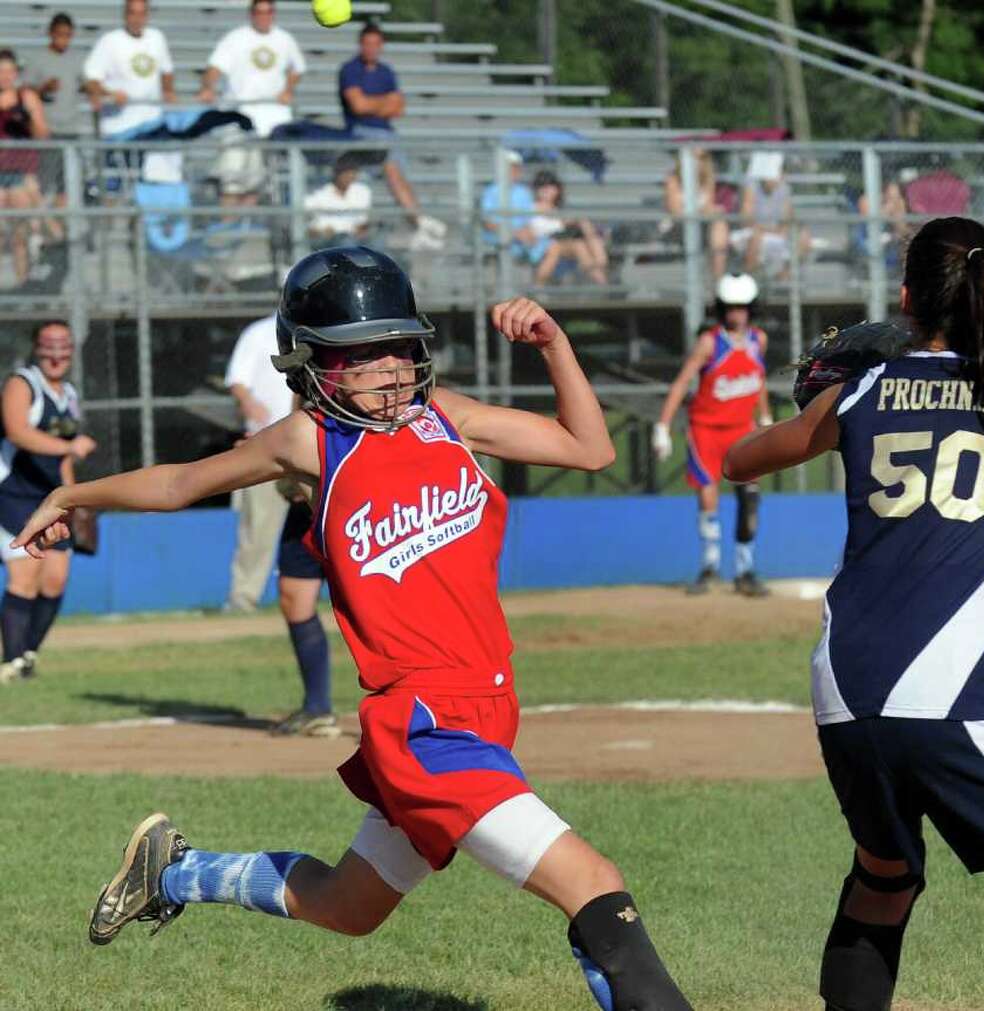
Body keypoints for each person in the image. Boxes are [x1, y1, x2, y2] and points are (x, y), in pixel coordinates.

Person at [16, 246, 693, 1011]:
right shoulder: (310, 440)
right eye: (362, 355)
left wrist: (554, 344)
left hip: (487, 709)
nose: (391, 369)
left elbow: (590, 447)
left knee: (347, 905)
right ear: (310, 365)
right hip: (426, 726)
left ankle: (173, 872)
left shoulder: (446, 417)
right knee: (595, 884)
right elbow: (179, 483)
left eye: (400, 347)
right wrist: (71, 498)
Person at [725, 216, 984, 1011]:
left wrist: (840, 392)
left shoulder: (859, 392)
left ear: (907, 298)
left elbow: (737, 461)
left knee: (884, 877)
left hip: (846, 689)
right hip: (953, 690)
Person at [653, 273, 771, 597]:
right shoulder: (710, 342)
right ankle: (710, 565)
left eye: (742, 307)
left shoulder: (758, 340)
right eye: (731, 307)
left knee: (750, 497)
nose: (737, 314)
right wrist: (663, 426)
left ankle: (745, 570)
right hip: (706, 430)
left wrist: (764, 416)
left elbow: (757, 379)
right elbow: (682, 382)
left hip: (742, 430)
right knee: (708, 497)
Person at [0, 322, 95, 683]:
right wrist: (69, 446)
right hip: (13, 493)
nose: (57, 354)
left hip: (50, 497)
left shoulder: (68, 394)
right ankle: (11, 662)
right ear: (37, 348)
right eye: (49, 346)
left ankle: (27, 655)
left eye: (63, 346)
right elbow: (17, 432)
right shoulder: (22, 383)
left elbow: (63, 460)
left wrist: (74, 497)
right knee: (24, 575)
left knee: (55, 579)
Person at [338, 23, 444, 249]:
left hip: (387, 133)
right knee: (391, 168)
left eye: (376, 44)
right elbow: (358, 106)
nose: (371, 48)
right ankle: (418, 223)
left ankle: (415, 227)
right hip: (362, 133)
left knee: (397, 174)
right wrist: (384, 102)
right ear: (360, 45)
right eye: (367, 44)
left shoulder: (386, 72)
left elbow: (399, 108)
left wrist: (371, 103)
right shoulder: (350, 70)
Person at [223, 314, 293, 612]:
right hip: (266, 446)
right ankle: (243, 598)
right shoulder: (260, 332)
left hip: (313, 445)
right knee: (258, 528)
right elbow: (237, 380)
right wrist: (250, 405)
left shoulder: (322, 329)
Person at [270, 479, 336, 736]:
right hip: (305, 511)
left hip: (355, 501)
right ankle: (317, 709)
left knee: (377, 603)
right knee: (294, 596)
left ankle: (411, 706)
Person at [198, 0, 305, 139]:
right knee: (234, 151)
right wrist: (208, 87)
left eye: (268, 12)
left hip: (274, 110)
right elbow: (215, 67)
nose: (264, 17)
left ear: (273, 14)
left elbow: (297, 68)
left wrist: (288, 90)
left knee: (280, 148)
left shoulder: (285, 39)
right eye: (259, 12)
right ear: (251, 14)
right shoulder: (235, 38)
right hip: (240, 109)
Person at [22, 13, 86, 245]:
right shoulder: (38, 60)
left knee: (65, 187)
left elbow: (86, 84)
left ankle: (63, 236)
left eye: (67, 36)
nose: (63, 40)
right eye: (59, 35)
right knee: (41, 186)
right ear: (51, 33)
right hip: (47, 132)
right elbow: (25, 93)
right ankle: (40, 234)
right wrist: (43, 88)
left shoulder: (76, 60)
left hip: (71, 131)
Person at [83, 0, 176, 140]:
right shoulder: (109, 41)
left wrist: (168, 90)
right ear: (125, 15)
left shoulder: (157, 38)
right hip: (119, 129)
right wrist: (111, 94)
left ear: (147, 15)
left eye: (141, 14)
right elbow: (91, 81)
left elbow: (166, 69)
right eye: (133, 13)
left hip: (151, 124)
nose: (137, 19)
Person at [479, 151, 567, 286]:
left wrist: (529, 232)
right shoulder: (491, 192)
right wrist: (514, 232)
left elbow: (528, 219)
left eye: (516, 168)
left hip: (522, 237)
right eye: (511, 168)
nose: (515, 171)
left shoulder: (523, 192)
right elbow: (488, 223)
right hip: (498, 237)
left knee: (554, 247)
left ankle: (537, 287)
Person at [0, 50, 50, 287]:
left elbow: (43, 135)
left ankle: (23, 286)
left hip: (20, 172)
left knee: (20, 236)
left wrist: (27, 118)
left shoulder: (26, 96)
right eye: (1, 71)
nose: (5, 76)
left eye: (10, 71)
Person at [730, 150, 809, 279]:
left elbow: (787, 218)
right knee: (756, 238)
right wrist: (768, 230)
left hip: (774, 232)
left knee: (804, 236)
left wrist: (782, 230)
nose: (780, 176)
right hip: (752, 233)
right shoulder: (751, 187)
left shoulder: (784, 188)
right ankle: (749, 278)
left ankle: (783, 278)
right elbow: (746, 220)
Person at [530, 169, 608, 285]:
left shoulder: (557, 209)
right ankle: (602, 271)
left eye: (550, 185)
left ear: (557, 189)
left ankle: (602, 279)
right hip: (546, 243)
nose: (546, 189)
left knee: (581, 242)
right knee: (582, 234)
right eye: (542, 186)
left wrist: (567, 223)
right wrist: (564, 223)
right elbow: (538, 230)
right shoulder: (532, 207)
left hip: (563, 239)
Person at [662, 148, 730, 279]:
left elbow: (708, 206)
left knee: (719, 223)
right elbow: (676, 211)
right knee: (716, 224)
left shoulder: (708, 179)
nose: (697, 162)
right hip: (677, 226)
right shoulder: (673, 179)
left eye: (702, 158)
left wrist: (711, 210)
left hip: (700, 224)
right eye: (693, 157)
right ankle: (717, 278)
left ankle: (718, 278)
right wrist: (704, 210)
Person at [304, 154, 372, 246]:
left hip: (354, 238)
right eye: (346, 173)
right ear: (337, 174)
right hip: (327, 240)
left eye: (352, 173)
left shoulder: (362, 192)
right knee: (346, 242)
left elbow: (362, 224)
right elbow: (310, 227)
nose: (349, 177)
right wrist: (322, 231)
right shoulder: (319, 194)